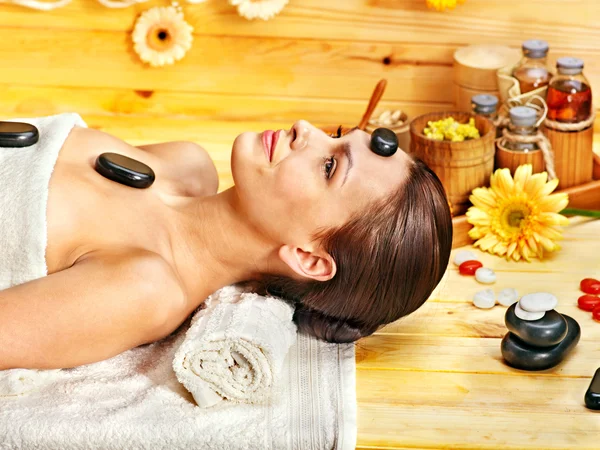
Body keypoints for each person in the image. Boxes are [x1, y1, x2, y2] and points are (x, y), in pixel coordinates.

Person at [0, 119, 452, 370]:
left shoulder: (145, 288)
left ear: (308, 258)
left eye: (330, 166)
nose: (305, 129)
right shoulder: (186, 165)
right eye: (336, 133)